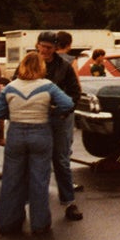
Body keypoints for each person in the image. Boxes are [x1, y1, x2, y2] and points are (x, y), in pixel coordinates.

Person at [0, 51, 74, 235]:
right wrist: (50, 112)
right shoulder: (48, 86)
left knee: (11, 180)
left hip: (16, 134)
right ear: (41, 67)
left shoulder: (10, 87)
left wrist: (15, 114)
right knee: (39, 180)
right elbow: (68, 104)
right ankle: (40, 225)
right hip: (40, 134)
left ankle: (8, 224)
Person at [35, 31, 83, 221]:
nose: (45, 50)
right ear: (37, 45)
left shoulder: (64, 66)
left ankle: (69, 203)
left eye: (49, 47)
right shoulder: (29, 62)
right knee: (34, 163)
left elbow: (75, 93)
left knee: (61, 161)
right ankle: (28, 206)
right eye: (42, 46)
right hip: (34, 120)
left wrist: (65, 111)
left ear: (55, 48)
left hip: (57, 119)